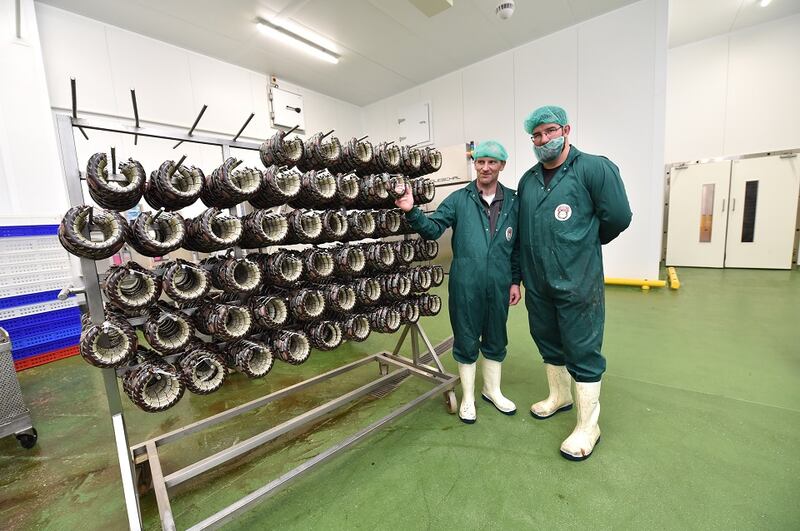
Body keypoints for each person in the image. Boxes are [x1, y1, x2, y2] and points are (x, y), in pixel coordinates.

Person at [517, 106, 632, 460]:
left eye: (550, 131)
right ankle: (559, 395)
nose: (543, 140)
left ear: (566, 129)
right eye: (536, 136)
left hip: (577, 279)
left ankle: (588, 426)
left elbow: (618, 217)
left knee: (582, 347)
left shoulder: (594, 168)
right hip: (538, 280)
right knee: (547, 338)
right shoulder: (528, 179)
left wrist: (580, 244)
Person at [395, 140, 521, 424]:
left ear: (502, 165)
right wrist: (412, 210)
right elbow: (432, 229)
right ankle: (468, 397)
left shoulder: (514, 201)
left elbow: (518, 247)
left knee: (496, 336)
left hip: (499, 283)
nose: (485, 167)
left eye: (491, 162)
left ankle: (492, 390)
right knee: (466, 337)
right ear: (474, 164)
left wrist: (515, 281)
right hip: (466, 283)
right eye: (480, 162)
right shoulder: (459, 199)